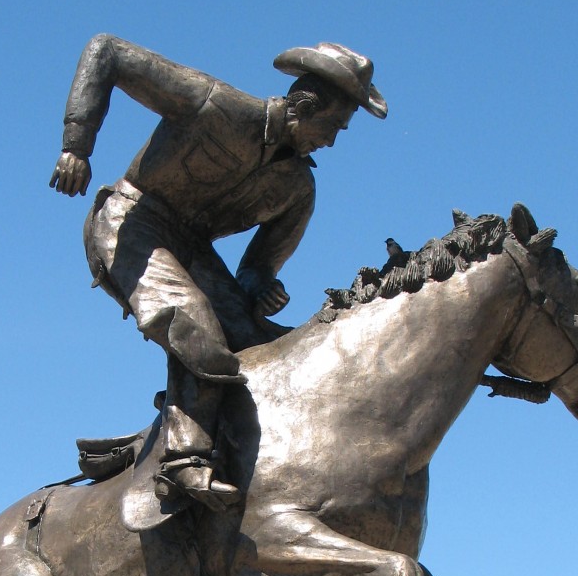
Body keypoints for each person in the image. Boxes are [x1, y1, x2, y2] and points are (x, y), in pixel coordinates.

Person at [50, 35, 387, 510]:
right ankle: (182, 462)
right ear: (304, 105)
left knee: (256, 343)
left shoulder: (297, 188)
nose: (331, 140)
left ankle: (225, 451)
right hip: (132, 221)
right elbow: (106, 51)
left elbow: (256, 268)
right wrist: (76, 146)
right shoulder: (218, 106)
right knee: (195, 324)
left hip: (191, 248)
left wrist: (261, 288)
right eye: (333, 126)